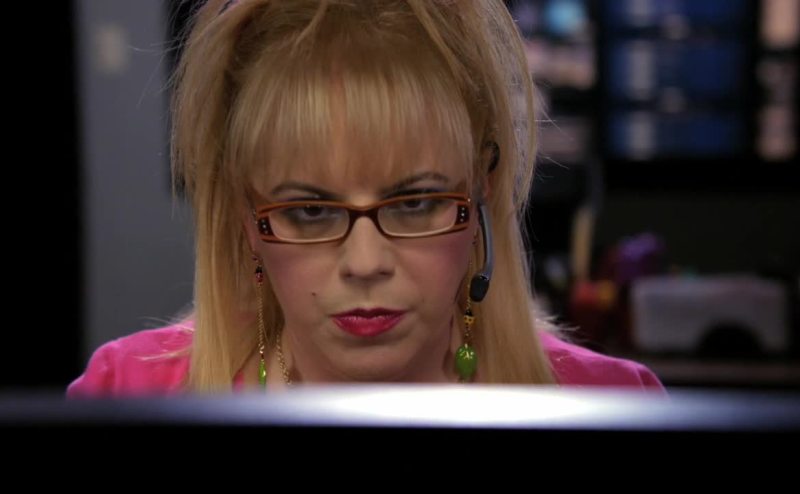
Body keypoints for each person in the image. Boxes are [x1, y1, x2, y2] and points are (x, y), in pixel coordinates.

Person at [68, 0, 664, 396]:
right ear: (247, 215)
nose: (365, 262)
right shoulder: (127, 394)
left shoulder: (612, 404)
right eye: (309, 211)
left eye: (415, 203)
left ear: (482, 186)